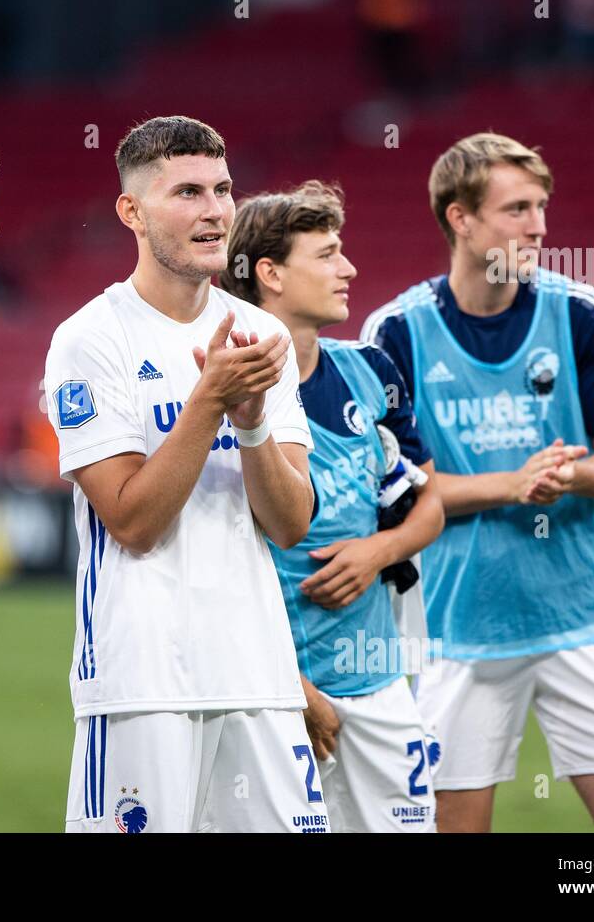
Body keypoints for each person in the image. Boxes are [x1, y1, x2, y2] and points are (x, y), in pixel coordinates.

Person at [361, 132, 594, 832]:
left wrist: (563, 477)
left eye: (541, 207)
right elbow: (407, 494)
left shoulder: (579, 311)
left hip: (584, 622)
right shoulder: (395, 336)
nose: (538, 226)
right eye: (516, 209)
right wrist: (514, 485)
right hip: (456, 633)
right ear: (460, 218)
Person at [43, 116, 328, 833]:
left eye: (223, 190)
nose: (214, 211)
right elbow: (134, 522)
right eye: (189, 192)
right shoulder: (89, 340)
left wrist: (254, 421)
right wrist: (208, 403)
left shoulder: (260, 334)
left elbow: (292, 522)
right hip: (143, 681)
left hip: (259, 675)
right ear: (132, 212)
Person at [219, 180, 444, 832]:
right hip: (264, 692)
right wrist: (291, 686)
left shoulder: (371, 370)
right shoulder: (221, 389)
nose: (348, 268)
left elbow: (428, 503)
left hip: (377, 687)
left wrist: (380, 550)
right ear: (271, 274)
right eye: (327, 254)